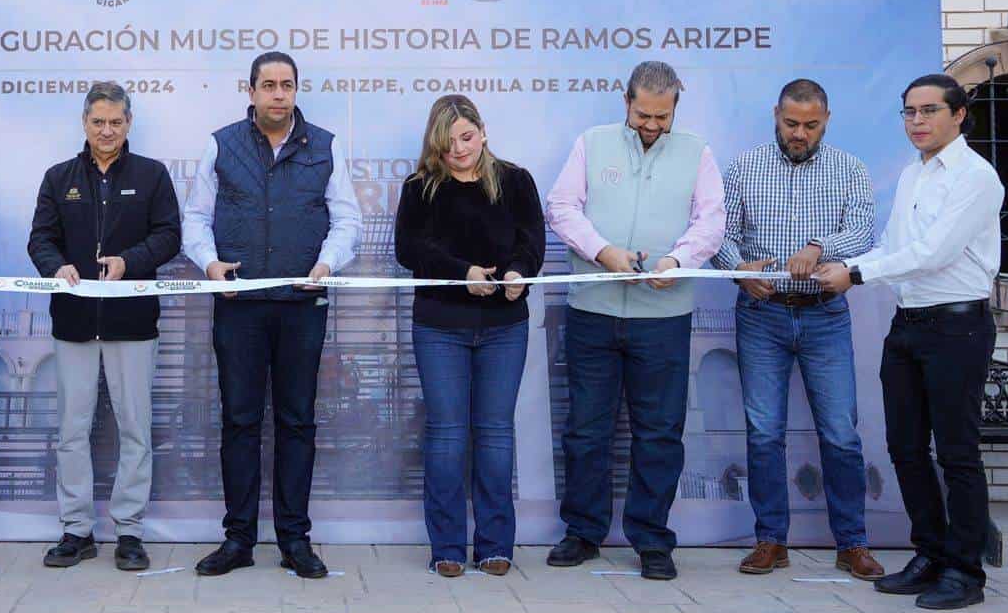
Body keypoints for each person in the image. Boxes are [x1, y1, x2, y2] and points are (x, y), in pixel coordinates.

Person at [815, 74, 1002, 611]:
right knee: (904, 446)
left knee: (957, 452)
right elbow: (897, 246)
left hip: (957, 326)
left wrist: (853, 271)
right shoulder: (912, 175)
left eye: (929, 111)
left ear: (959, 114)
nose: (917, 122)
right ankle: (931, 552)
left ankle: (965, 570)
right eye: (909, 113)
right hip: (910, 323)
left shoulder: (976, 177)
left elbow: (933, 252)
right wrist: (856, 267)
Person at [182, 51, 362, 580]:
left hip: (301, 305)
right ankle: (238, 540)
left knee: (296, 421)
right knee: (239, 421)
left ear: (296, 90)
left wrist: (327, 263)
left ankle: (294, 540)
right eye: (268, 85)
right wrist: (209, 263)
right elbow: (196, 217)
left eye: (286, 85)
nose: (278, 94)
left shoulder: (326, 146)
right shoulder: (221, 144)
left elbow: (347, 218)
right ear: (252, 90)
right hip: (238, 307)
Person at [543, 61, 725, 581]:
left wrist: (678, 261)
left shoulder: (697, 152)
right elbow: (561, 207)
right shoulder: (592, 142)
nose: (651, 124)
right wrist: (604, 252)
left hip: (664, 318)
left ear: (675, 109)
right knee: (586, 429)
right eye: (643, 113)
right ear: (626, 101)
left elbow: (711, 221)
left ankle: (651, 540)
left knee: (660, 433)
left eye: (661, 116)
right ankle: (582, 532)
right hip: (594, 312)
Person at [712, 79, 884, 580]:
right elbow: (721, 233)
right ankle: (770, 540)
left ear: (826, 119)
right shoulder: (745, 167)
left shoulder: (850, 169)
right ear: (776, 115)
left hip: (825, 314)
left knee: (839, 432)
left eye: (810, 125)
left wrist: (817, 247)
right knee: (765, 432)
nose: (800, 133)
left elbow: (862, 231)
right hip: (762, 315)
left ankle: (852, 542)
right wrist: (740, 270)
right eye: (791, 124)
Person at [27, 82, 182, 572]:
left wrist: (129, 262)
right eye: (98, 122)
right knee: (72, 430)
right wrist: (57, 268)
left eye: (116, 122)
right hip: (73, 322)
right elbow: (40, 239)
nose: (107, 131)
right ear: (84, 123)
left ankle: (130, 531)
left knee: (135, 429)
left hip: (132, 322)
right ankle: (76, 529)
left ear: (129, 123)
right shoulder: (59, 177)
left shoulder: (153, 176)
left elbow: (169, 237)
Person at [394, 95, 544, 579]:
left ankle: (496, 545)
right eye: (448, 142)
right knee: (446, 436)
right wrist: (464, 273)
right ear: (434, 145)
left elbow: (532, 241)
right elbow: (408, 249)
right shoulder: (419, 188)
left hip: (504, 327)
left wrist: (520, 272)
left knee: (496, 435)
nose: (459, 149)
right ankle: (447, 548)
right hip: (439, 326)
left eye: (466, 137)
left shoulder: (517, 181)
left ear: (482, 131)